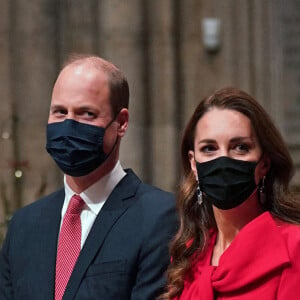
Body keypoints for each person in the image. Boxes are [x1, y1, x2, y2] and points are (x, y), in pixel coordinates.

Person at [0, 54, 178, 300]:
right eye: (60, 112)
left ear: (122, 122)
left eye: (86, 114)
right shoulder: (24, 225)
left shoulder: (159, 215)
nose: (69, 126)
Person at [161, 87, 300, 299]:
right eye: (209, 148)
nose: (223, 160)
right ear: (194, 164)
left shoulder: (294, 247)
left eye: (240, 147)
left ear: (264, 163)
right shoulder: (189, 254)